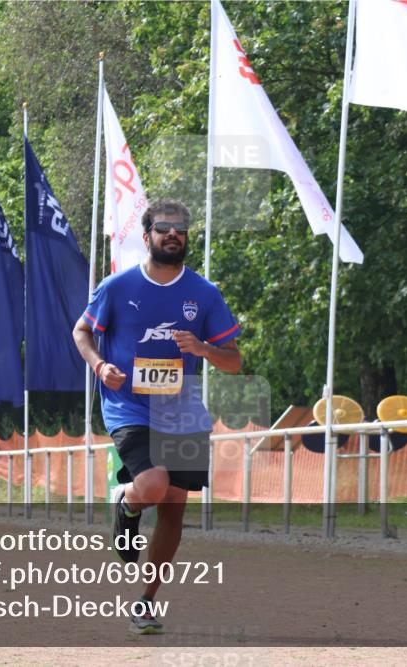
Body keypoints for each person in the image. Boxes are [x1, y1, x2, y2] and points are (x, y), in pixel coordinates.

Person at [72, 199, 241, 634]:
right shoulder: (117, 286)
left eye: (180, 229)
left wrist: (204, 349)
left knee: (172, 512)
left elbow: (234, 361)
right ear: (146, 236)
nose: (173, 235)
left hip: (182, 411)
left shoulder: (205, 294)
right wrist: (98, 365)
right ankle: (126, 502)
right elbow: (82, 330)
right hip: (129, 405)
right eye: (163, 228)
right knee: (153, 484)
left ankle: (145, 602)